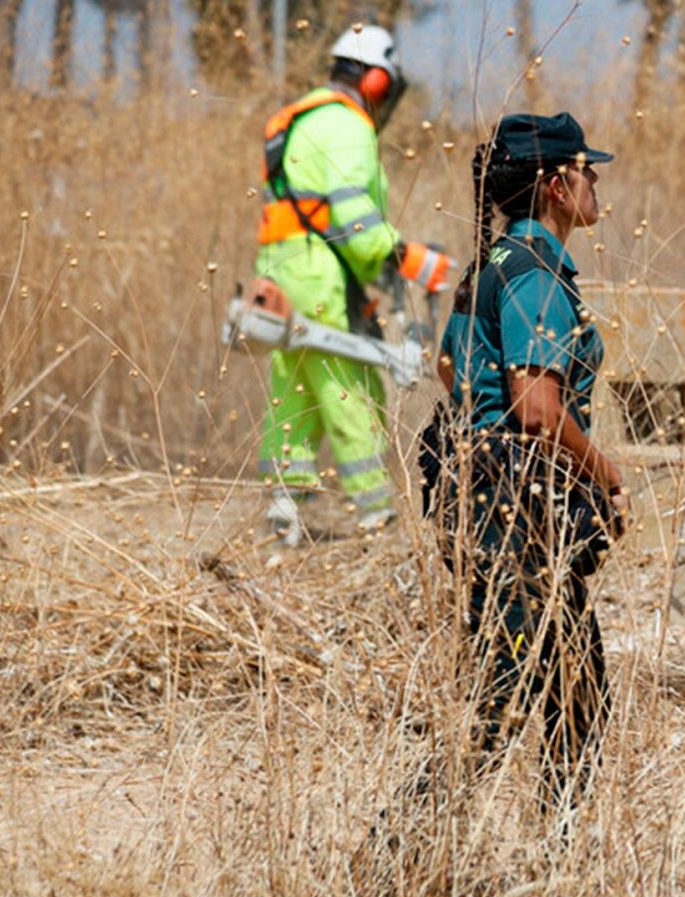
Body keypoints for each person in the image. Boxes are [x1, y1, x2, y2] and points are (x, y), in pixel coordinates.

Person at [421, 112, 626, 821]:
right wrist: (606, 472)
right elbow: (537, 408)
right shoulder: (535, 274)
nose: (595, 179)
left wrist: (483, 433)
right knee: (496, 711)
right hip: (516, 520)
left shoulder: (494, 265)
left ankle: (559, 859)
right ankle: (400, 853)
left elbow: (449, 365)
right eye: (584, 168)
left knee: (579, 696)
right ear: (554, 186)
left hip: (499, 507)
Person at [253, 23, 456, 545]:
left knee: (294, 398)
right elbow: (351, 216)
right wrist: (403, 257)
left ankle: (282, 524)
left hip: (284, 272)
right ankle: (378, 523)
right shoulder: (347, 126)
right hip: (322, 278)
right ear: (372, 80)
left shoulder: (304, 119)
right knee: (353, 392)